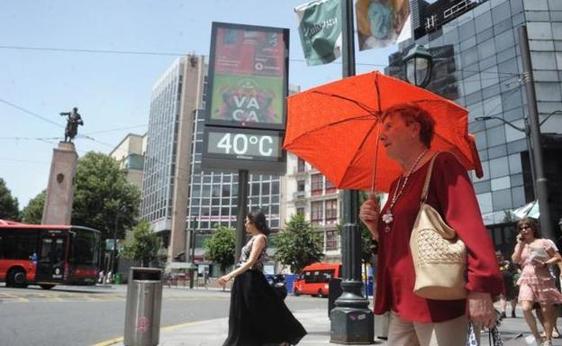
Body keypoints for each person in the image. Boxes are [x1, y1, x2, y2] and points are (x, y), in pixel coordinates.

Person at [359, 103, 503, 345]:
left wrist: (480, 287)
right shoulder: (396, 185)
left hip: (439, 298)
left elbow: (471, 226)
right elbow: (400, 243)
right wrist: (375, 228)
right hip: (402, 300)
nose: (381, 135)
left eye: (389, 126)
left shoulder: (443, 164)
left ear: (414, 129)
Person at [219, 210, 306, 346]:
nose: (245, 224)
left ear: (254, 223)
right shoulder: (253, 238)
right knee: (244, 313)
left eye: (247, 222)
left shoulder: (260, 238)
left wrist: (229, 275)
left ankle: (279, 340)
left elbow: (251, 261)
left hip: (251, 279)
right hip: (244, 279)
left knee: (257, 312)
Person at [512, 217, 562, 346]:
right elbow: (515, 260)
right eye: (521, 228)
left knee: (546, 311)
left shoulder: (544, 242)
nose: (524, 230)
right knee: (526, 308)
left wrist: (546, 263)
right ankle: (537, 337)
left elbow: (557, 257)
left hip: (543, 277)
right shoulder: (520, 244)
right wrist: (521, 245)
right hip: (526, 278)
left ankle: (548, 339)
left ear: (533, 228)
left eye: (527, 227)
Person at [496, 251, 519, 318]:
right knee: (502, 296)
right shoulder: (494, 264)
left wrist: (515, 280)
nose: (498, 258)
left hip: (511, 282)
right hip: (501, 283)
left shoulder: (509, 263)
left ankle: (513, 311)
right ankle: (503, 312)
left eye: (499, 256)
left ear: (502, 256)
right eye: (497, 256)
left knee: (513, 297)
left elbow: (515, 272)